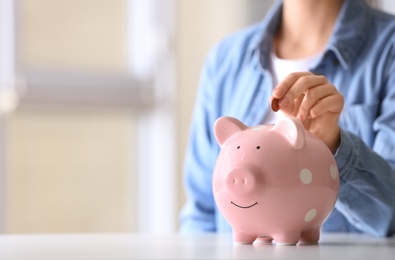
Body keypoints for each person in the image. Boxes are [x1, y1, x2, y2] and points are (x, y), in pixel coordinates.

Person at [179, 0, 395, 237]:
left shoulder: (389, 50)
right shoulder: (224, 60)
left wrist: (335, 145)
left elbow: (391, 215)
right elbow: (201, 214)